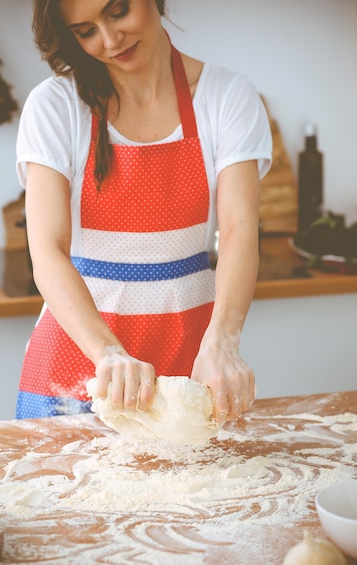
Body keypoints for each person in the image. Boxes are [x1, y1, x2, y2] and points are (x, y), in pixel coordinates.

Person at [15, 0, 272, 424]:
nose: (110, 40)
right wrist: (107, 352)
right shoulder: (55, 105)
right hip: (80, 357)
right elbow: (48, 250)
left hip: (193, 352)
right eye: (85, 31)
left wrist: (223, 343)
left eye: (117, 12)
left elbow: (239, 228)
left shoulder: (226, 95)